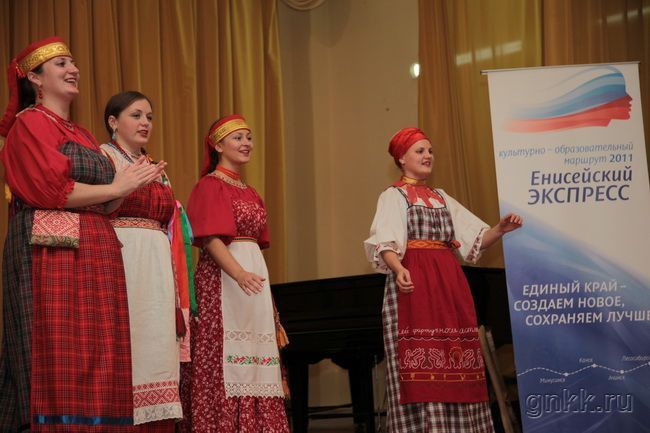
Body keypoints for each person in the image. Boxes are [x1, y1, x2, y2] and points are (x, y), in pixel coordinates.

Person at [0, 37, 165, 432]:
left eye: (72, 62)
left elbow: (104, 202)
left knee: (98, 352)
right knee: (58, 351)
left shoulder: (83, 133)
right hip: (51, 254)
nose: (72, 68)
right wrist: (116, 187)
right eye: (60, 63)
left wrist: (127, 186)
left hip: (94, 249)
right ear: (35, 78)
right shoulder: (30, 123)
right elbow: (48, 191)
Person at [364, 127, 523, 433]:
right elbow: (385, 241)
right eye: (419, 151)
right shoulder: (393, 196)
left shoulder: (441, 197)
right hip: (414, 286)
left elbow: (475, 239)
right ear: (401, 158)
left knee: (456, 356)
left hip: (449, 287)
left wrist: (499, 229)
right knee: (420, 361)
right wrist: (398, 269)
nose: (427, 156)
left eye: (430, 151)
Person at [183, 115, 289, 432]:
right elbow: (210, 239)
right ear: (218, 146)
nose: (246, 144)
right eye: (237, 138)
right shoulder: (209, 185)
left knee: (256, 354)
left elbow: (255, 242)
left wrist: (253, 278)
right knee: (226, 354)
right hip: (224, 279)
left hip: (253, 276)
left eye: (249, 137)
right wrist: (239, 273)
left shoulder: (250, 191)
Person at [100, 91, 192, 432]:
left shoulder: (156, 167)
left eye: (149, 117)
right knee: (131, 342)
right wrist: (125, 186)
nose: (145, 123)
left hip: (158, 264)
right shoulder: (104, 157)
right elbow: (98, 209)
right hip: (124, 258)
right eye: (136, 115)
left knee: (158, 346)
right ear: (113, 122)